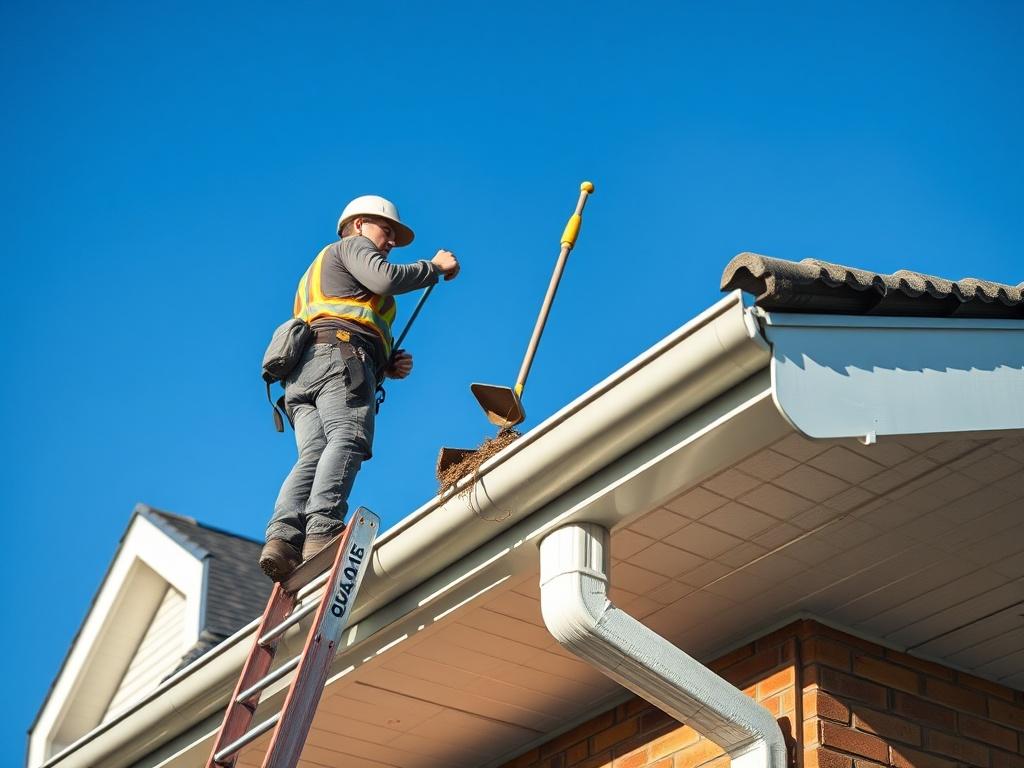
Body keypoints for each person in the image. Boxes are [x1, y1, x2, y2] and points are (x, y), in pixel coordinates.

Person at [259, 195, 459, 581]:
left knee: (313, 453)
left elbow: (344, 315)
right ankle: (321, 530)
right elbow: (385, 279)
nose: (390, 242)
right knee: (348, 438)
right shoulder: (353, 246)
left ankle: (282, 539)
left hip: (304, 373)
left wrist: (385, 362)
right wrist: (433, 268)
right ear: (358, 224)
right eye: (386, 231)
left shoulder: (319, 273)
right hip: (339, 359)